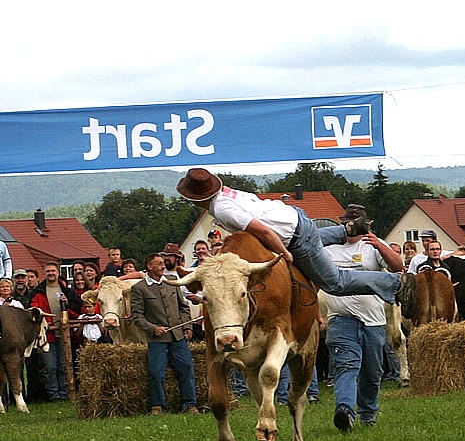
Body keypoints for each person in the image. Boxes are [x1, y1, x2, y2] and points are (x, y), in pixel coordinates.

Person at [176, 167, 411, 305]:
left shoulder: (223, 209)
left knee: (335, 283)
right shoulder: (228, 194)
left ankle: (395, 284)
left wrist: (283, 253)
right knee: (312, 241)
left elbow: (263, 231)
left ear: (194, 198)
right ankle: (347, 229)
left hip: (294, 238)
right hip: (295, 217)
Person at [322, 205, 404, 431]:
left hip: (373, 320)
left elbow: (398, 267)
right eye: (347, 223)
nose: (351, 228)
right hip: (341, 318)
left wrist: (379, 245)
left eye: (355, 223)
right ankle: (345, 410)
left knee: (372, 371)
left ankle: (368, 414)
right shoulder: (329, 248)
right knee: (346, 366)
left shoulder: (373, 246)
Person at [129, 253, 198, 415]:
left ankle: (190, 404)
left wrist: (187, 326)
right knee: (155, 372)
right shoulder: (139, 288)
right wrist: (153, 328)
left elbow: (183, 307)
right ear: (150, 267)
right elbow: (137, 316)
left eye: (162, 263)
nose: (162, 266)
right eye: (159, 264)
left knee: (186, 368)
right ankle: (158, 406)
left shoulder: (171, 282)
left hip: (177, 336)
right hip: (157, 339)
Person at [29, 262, 78, 401]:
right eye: (48, 271)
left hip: (64, 334)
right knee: (50, 367)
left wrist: (67, 302)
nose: (51, 273)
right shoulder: (39, 291)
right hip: (47, 334)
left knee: (64, 365)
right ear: (45, 273)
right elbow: (34, 310)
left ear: (58, 273)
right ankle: (53, 394)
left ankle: (65, 392)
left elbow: (76, 308)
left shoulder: (66, 290)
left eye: (53, 271)